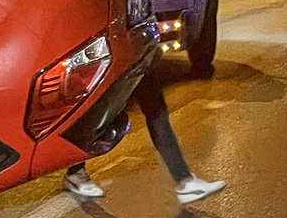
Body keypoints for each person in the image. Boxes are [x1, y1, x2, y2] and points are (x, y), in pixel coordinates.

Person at [64, 62, 225, 204]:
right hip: (118, 52)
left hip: (134, 51)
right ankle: (75, 171)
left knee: (155, 109)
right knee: (97, 112)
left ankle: (184, 180)